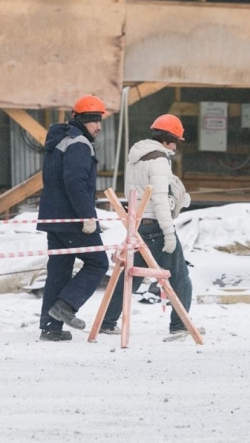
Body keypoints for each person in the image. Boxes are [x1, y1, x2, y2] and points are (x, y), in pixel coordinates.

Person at [100, 113, 200, 342]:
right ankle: (180, 325)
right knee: (180, 277)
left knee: (130, 277)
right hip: (156, 226)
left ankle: (107, 322)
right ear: (168, 139)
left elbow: (132, 193)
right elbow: (159, 199)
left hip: (139, 225)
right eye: (175, 140)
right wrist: (168, 232)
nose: (175, 146)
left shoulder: (136, 157)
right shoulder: (159, 161)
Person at [37, 95, 110, 342]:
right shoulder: (79, 144)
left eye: (99, 121)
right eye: (93, 122)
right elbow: (76, 184)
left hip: (53, 216)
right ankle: (66, 306)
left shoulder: (62, 140)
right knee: (98, 263)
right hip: (71, 218)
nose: (98, 126)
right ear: (82, 121)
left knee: (59, 270)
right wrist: (87, 216)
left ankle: (51, 327)